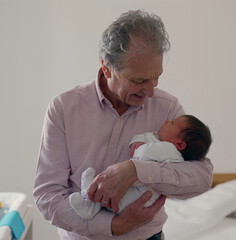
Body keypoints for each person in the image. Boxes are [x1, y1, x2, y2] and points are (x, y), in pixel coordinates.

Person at [33, 9, 214, 240]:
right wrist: (113, 225)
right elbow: (47, 195)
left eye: (156, 77)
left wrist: (135, 171)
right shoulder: (63, 108)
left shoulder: (167, 109)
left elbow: (200, 178)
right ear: (106, 67)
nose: (150, 91)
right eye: (139, 80)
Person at [69, 114, 212, 220]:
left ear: (180, 144)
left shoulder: (169, 150)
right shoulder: (159, 140)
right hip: (137, 194)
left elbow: (143, 152)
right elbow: (143, 137)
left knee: (114, 196)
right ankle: (89, 203)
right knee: (108, 192)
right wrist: (137, 142)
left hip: (139, 195)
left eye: (172, 123)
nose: (167, 120)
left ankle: (89, 203)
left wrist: (136, 158)